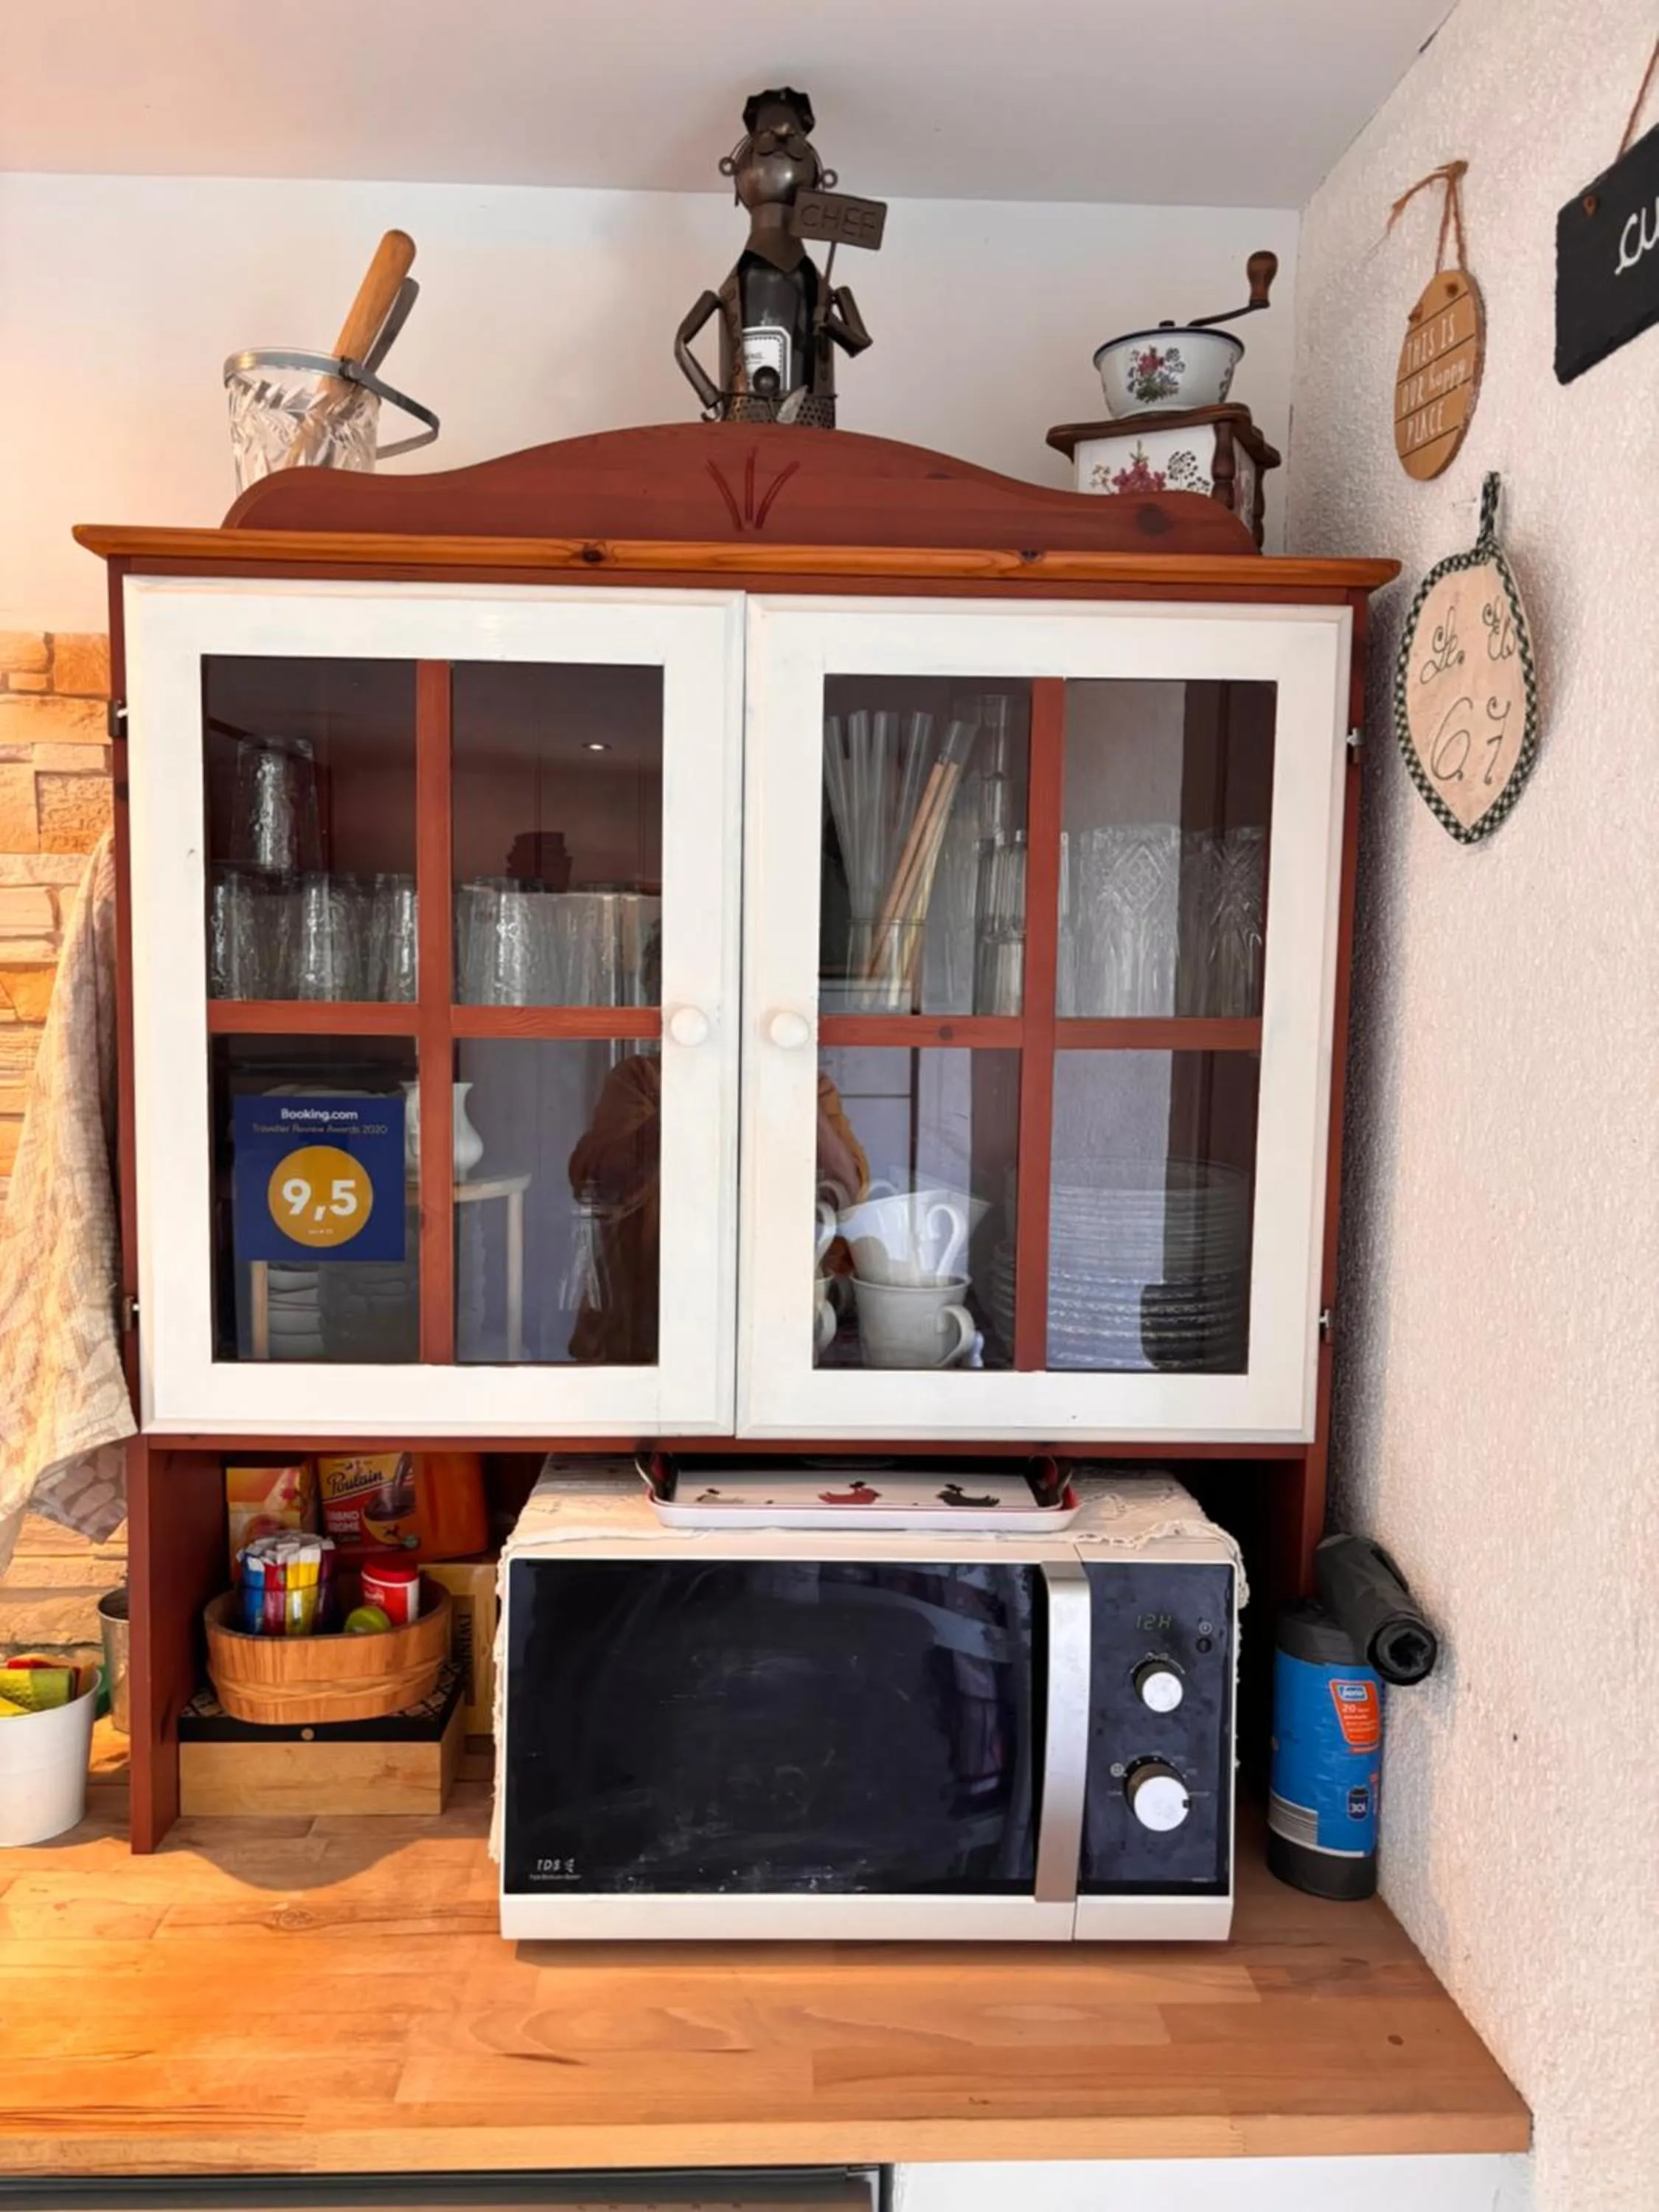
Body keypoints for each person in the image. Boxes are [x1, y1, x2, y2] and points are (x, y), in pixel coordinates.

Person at [567, 1054, 867, 1366]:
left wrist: (794, 1086)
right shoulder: (643, 1077)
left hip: (769, 1329)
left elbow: (848, 1198)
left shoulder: (810, 1087)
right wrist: (690, 1092)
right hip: (644, 1329)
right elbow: (601, 1185)